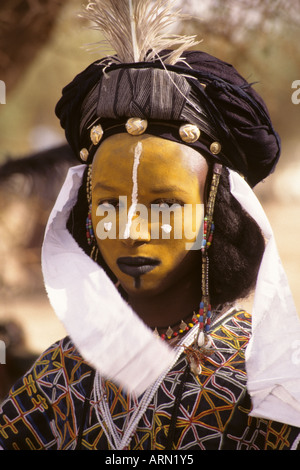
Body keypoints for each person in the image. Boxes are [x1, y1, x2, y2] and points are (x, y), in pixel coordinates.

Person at [0, 0, 300, 451]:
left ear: (211, 218)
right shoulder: (54, 378)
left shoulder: (269, 379)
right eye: (111, 203)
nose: (133, 229)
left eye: (166, 204)